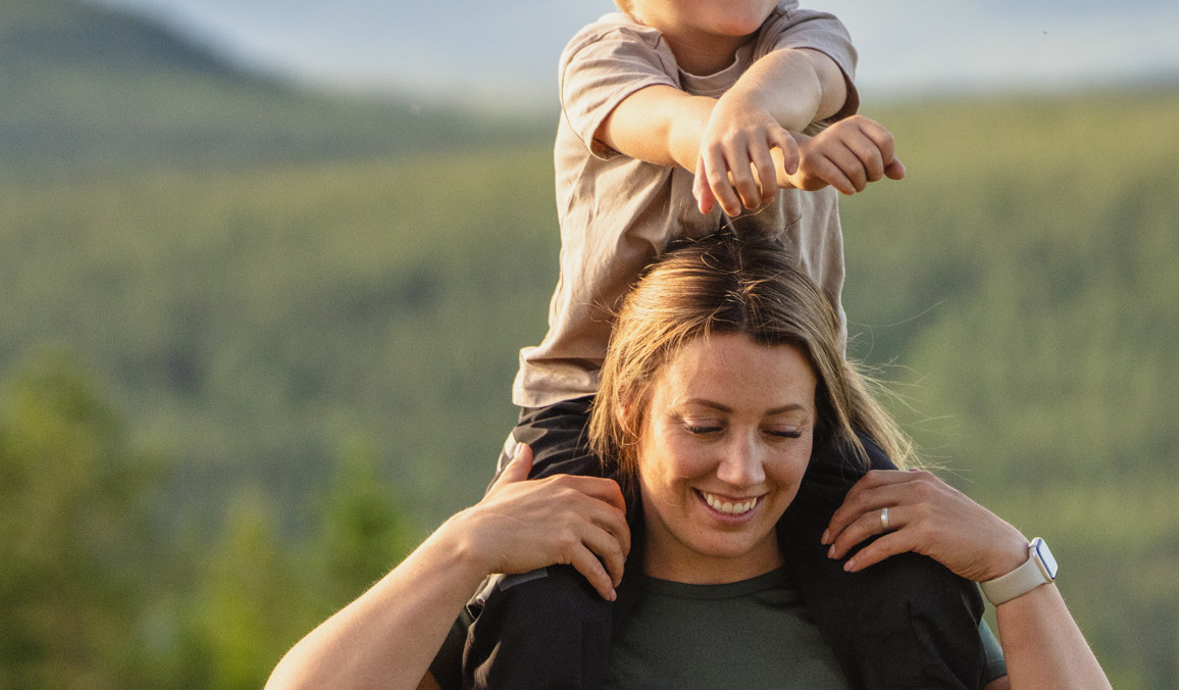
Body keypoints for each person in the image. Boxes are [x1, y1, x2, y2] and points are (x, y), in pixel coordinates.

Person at [269, 234, 1112, 690]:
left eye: (783, 431)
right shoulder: (540, 621)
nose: (742, 471)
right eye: (705, 426)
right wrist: (463, 548)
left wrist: (1013, 567)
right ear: (631, 410)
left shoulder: (882, 609)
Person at [491, 0, 946, 685]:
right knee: (547, 610)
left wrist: (768, 122)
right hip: (590, 402)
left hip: (784, 413)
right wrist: (782, 154)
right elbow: (672, 130)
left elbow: (801, 82)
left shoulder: (808, 37)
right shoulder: (605, 61)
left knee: (907, 585)